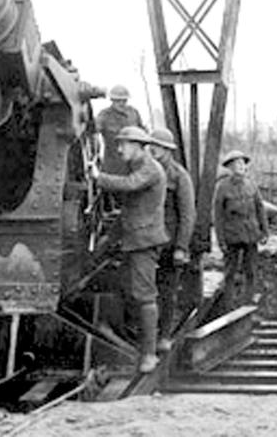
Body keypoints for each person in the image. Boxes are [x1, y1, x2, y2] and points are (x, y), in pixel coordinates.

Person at [91, 126, 168, 373]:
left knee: (145, 296)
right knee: (130, 291)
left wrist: (96, 177)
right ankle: (133, 342)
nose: (119, 148)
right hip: (134, 240)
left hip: (144, 242)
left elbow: (130, 185)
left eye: (124, 144)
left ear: (138, 146)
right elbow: (129, 210)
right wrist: (107, 241)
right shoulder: (138, 166)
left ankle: (149, 355)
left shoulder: (149, 168)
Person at [148, 128, 197, 353]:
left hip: (168, 244)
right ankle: (147, 337)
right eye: (151, 145)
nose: (153, 149)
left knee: (166, 292)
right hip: (147, 243)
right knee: (145, 292)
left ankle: (164, 336)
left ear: (168, 150)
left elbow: (187, 215)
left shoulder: (179, 176)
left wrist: (181, 247)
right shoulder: (145, 171)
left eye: (157, 146)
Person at [213, 150, 268, 311]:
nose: (241, 167)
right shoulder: (222, 187)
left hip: (250, 234)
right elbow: (217, 216)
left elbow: (260, 208)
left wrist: (264, 231)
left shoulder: (251, 185)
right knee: (230, 273)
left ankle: (248, 304)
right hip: (232, 236)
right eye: (237, 164)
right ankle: (229, 307)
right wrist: (221, 240)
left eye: (243, 163)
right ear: (229, 167)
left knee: (251, 270)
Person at [96, 85, 146, 175]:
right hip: (113, 164)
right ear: (112, 100)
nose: (122, 103)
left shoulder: (133, 113)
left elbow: (143, 132)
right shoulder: (104, 115)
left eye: (124, 100)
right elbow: (93, 131)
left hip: (134, 164)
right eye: (118, 101)